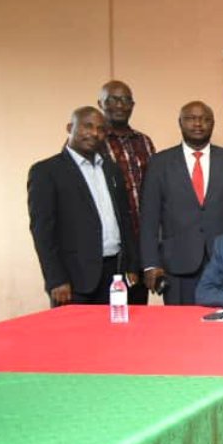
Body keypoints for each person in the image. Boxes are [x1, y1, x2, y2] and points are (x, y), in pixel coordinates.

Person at [27, 106, 139, 306]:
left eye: (101, 129)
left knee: (116, 336)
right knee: (76, 337)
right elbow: (43, 232)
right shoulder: (46, 172)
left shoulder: (111, 170)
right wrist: (56, 279)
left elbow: (124, 219)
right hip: (74, 279)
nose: (94, 133)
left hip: (115, 274)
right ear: (70, 127)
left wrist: (131, 264)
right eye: (87, 126)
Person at [140, 101, 223, 305]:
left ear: (213, 124)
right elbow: (149, 218)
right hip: (177, 264)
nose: (198, 124)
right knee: (181, 331)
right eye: (191, 118)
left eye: (204, 119)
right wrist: (150, 264)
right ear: (180, 123)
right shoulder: (159, 163)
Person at [98, 79, 156, 304]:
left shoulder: (144, 141)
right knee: (101, 316)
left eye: (126, 100)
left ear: (133, 105)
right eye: (113, 99)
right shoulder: (92, 141)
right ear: (101, 103)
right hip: (107, 247)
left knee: (136, 309)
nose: (120, 105)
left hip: (141, 243)